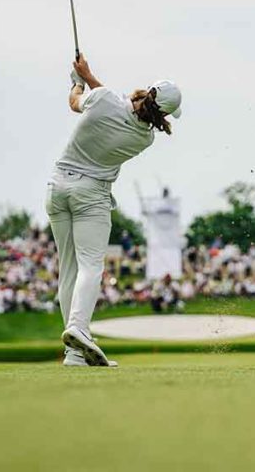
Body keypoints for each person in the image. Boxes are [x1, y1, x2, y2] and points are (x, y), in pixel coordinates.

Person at [46, 53, 181, 368]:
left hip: (57, 188)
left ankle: (74, 352)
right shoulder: (144, 138)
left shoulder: (103, 99)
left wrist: (79, 81)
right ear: (165, 114)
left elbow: (77, 102)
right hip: (90, 194)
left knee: (68, 269)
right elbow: (116, 109)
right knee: (90, 266)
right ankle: (78, 328)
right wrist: (89, 78)